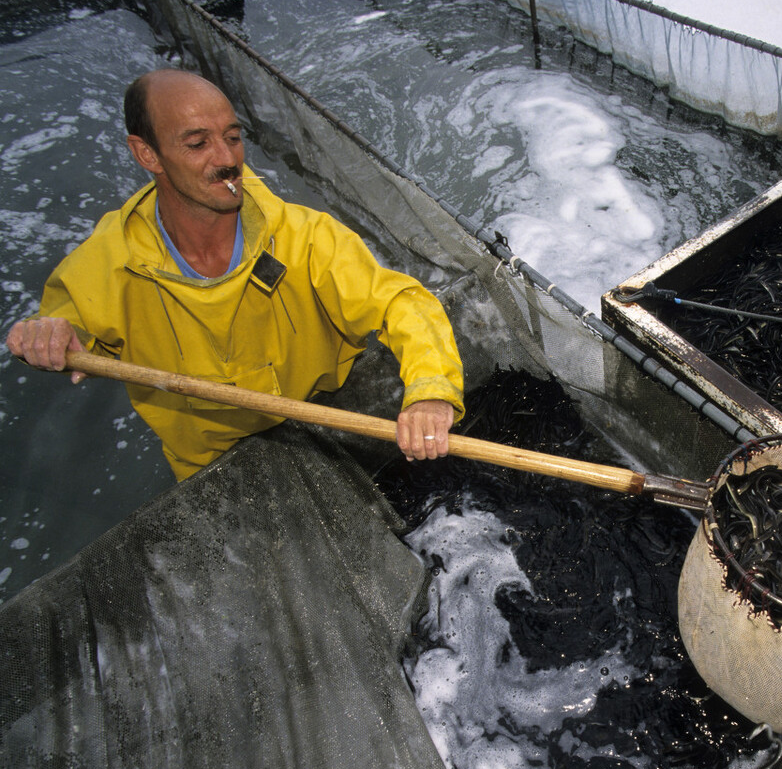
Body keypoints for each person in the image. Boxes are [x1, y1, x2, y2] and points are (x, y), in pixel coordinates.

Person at [4, 69, 464, 480]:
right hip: (210, 461)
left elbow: (402, 302)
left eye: (233, 136)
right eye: (198, 143)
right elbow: (65, 325)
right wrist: (50, 335)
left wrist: (430, 392)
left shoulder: (303, 236)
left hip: (327, 411)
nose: (227, 159)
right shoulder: (107, 262)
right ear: (148, 154)